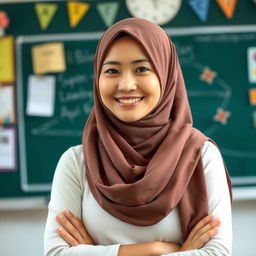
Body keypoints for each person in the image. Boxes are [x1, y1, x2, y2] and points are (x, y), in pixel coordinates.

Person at [44, 18, 232, 256]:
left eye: (142, 69)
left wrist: (95, 251)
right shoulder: (76, 162)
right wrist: (161, 250)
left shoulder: (200, 155)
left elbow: (217, 253)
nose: (126, 85)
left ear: (166, 74)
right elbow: (56, 253)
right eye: (112, 70)